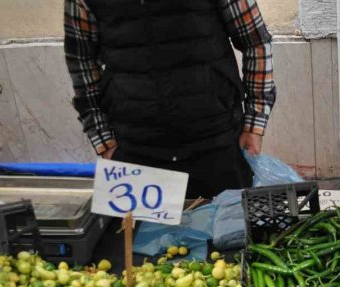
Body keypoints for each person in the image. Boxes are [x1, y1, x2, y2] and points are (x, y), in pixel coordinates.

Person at [64, 0, 276, 199]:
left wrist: (254, 124)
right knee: (139, 237)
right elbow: (81, 61)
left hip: (218, 140)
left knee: (229, 235)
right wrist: (103, 141)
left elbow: (255, 41)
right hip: (134, 147)